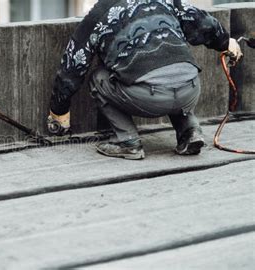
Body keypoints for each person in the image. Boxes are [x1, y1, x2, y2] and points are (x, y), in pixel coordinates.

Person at [47, 0, 242, 160]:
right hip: (191, 89)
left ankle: (127, 141)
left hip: (149, 98)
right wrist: (225, 42)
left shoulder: (97, 15)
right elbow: (203, 23)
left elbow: (72, 69)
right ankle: (190, 131)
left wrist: (59, 111)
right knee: (174, 66)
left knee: (98, 78)